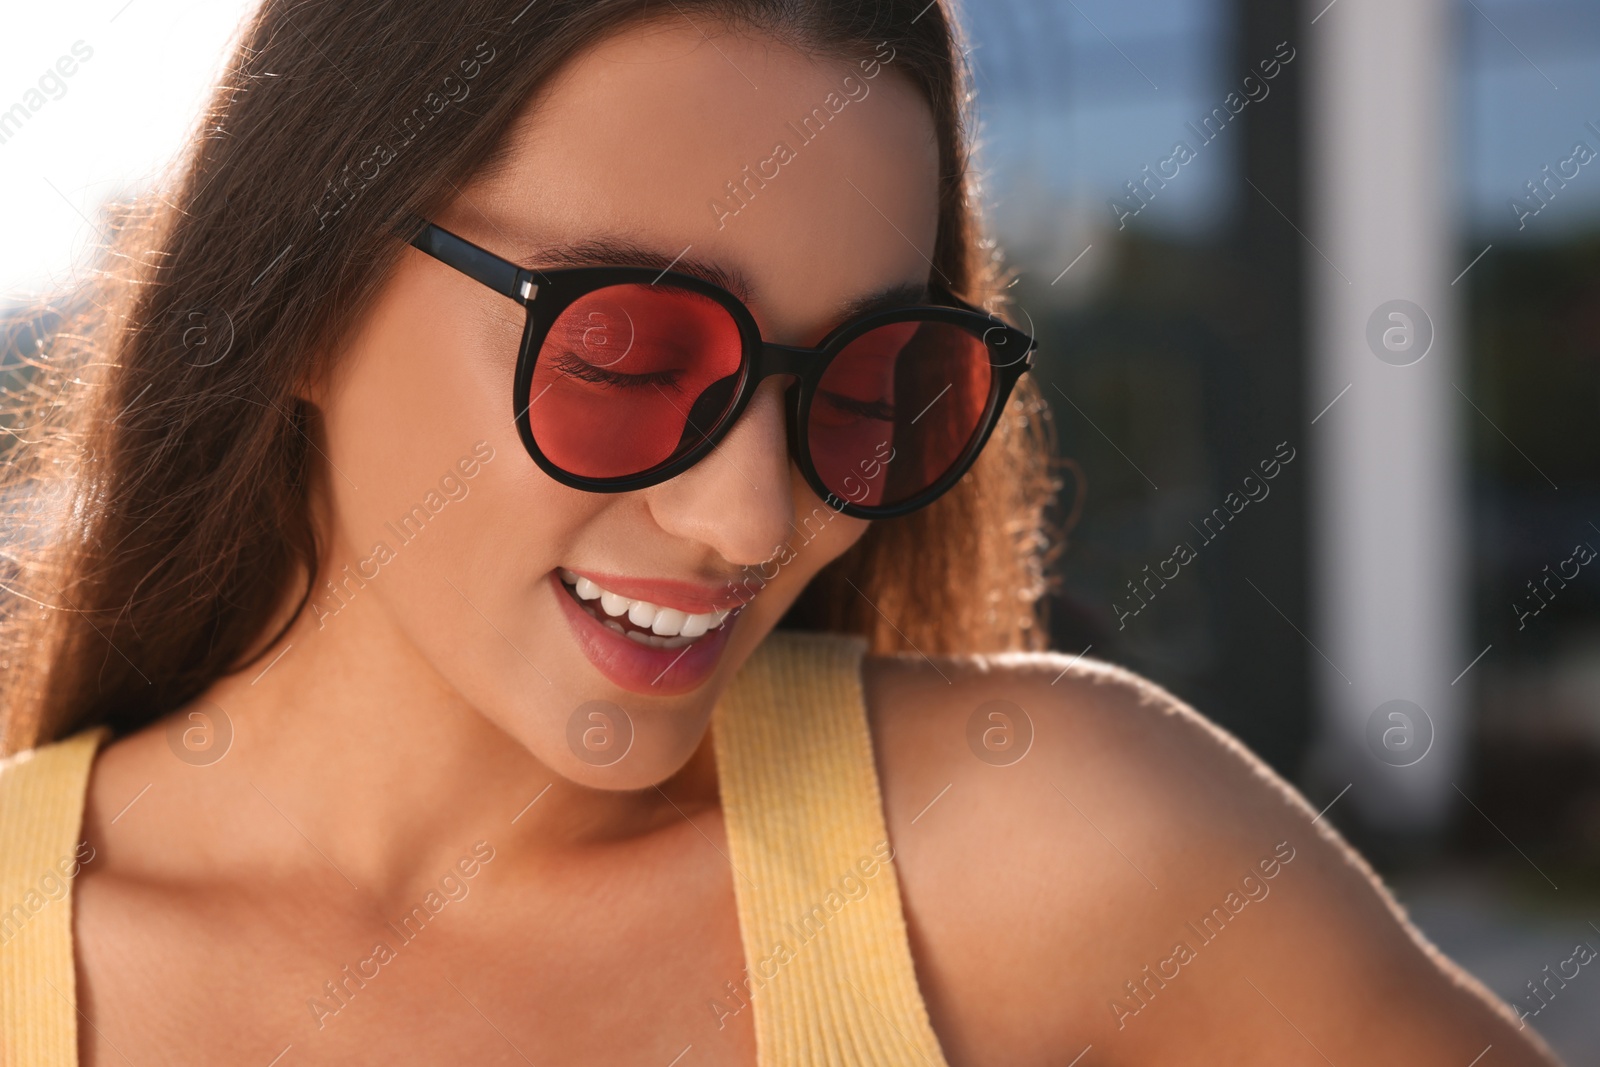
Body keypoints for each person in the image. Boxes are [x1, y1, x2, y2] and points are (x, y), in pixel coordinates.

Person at [0, 1, 1562, 1064]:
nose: (753, 516)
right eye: (624, 356)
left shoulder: (1050, 857)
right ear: (302, 304)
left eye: (875, 387)